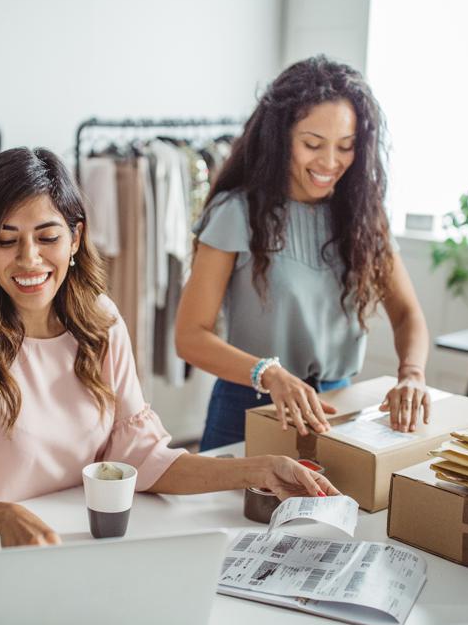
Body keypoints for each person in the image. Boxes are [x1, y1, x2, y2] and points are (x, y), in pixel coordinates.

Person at [0, 147, 338, 547]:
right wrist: (3, 516)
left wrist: (256, 470)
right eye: (6, 240)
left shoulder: (100, 321)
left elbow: (142, 455)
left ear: (75, 238)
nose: (28, 259)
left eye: (47, 237)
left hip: (77, 544)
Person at [176, 56, 431, 452]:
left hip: (338, 410)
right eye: (312, 144)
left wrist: (412, 375)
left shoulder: (364, 217)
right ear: (280, 140)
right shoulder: (236, 213)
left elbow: (407, 314)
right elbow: (190, 337)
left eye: (345, 147)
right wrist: (269, 373)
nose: (330, 163)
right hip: (250, 406)